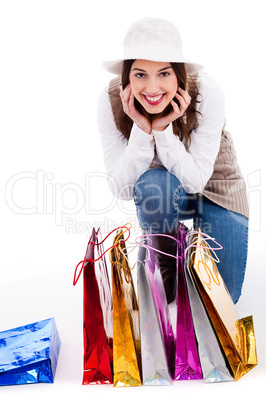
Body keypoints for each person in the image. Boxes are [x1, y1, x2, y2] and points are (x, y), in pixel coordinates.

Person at [97, 18, 249, 304]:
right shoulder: (110, 100)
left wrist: (164, 130)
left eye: (164, 73)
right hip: (163, 191)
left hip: (217, 187)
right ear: (126, 76)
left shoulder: (207, 93)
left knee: (222, 299)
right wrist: (142, 130)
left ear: (178, 74)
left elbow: (195, 181)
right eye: (140, 74)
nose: (152, 88)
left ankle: (190, 240)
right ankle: (168, 246)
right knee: (157, 186)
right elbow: (122, 188)